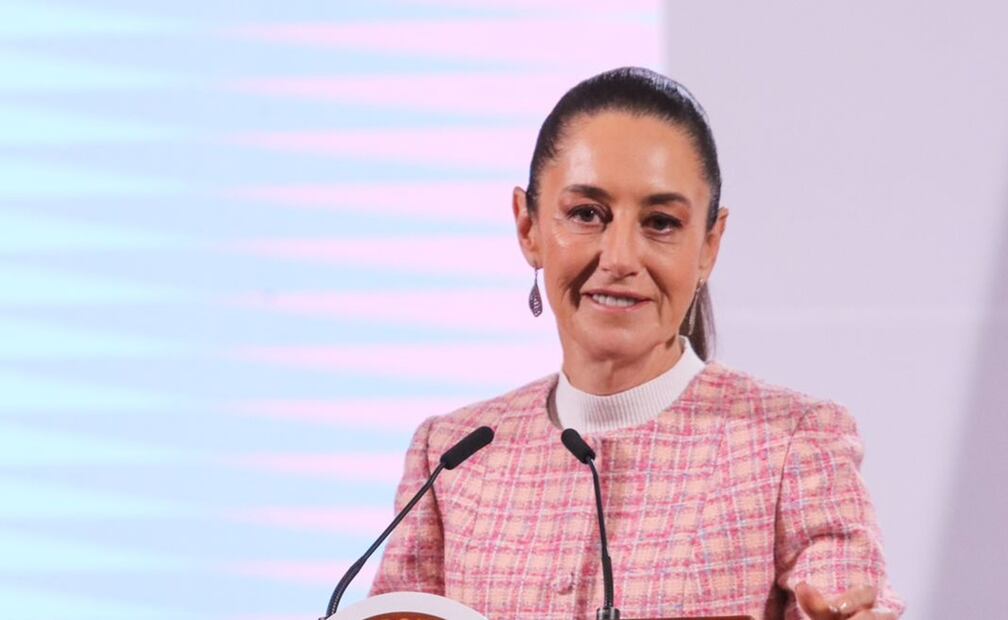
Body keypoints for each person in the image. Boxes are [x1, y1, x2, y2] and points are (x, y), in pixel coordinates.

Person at [369, 67, 904, 619]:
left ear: (709, 245)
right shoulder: (453, 456)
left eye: (661, 222)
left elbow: (849, 600)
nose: (621, 257)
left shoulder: (792, 444)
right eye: (586, 214)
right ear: (528, 227)